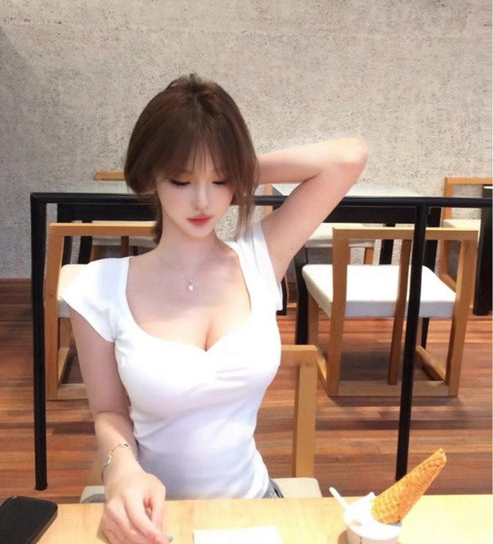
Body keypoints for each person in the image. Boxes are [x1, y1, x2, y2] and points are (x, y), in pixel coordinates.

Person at [62, 74, 368, 544]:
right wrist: (121, 470)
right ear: (150, 177)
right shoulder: (99, 286)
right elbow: (108, 411)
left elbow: (348, 157)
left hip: (252, 507)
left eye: (221, 180)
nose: (203, 201)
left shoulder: (259, 258)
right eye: (181, 180)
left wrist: (232, 163)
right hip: (152, 516)